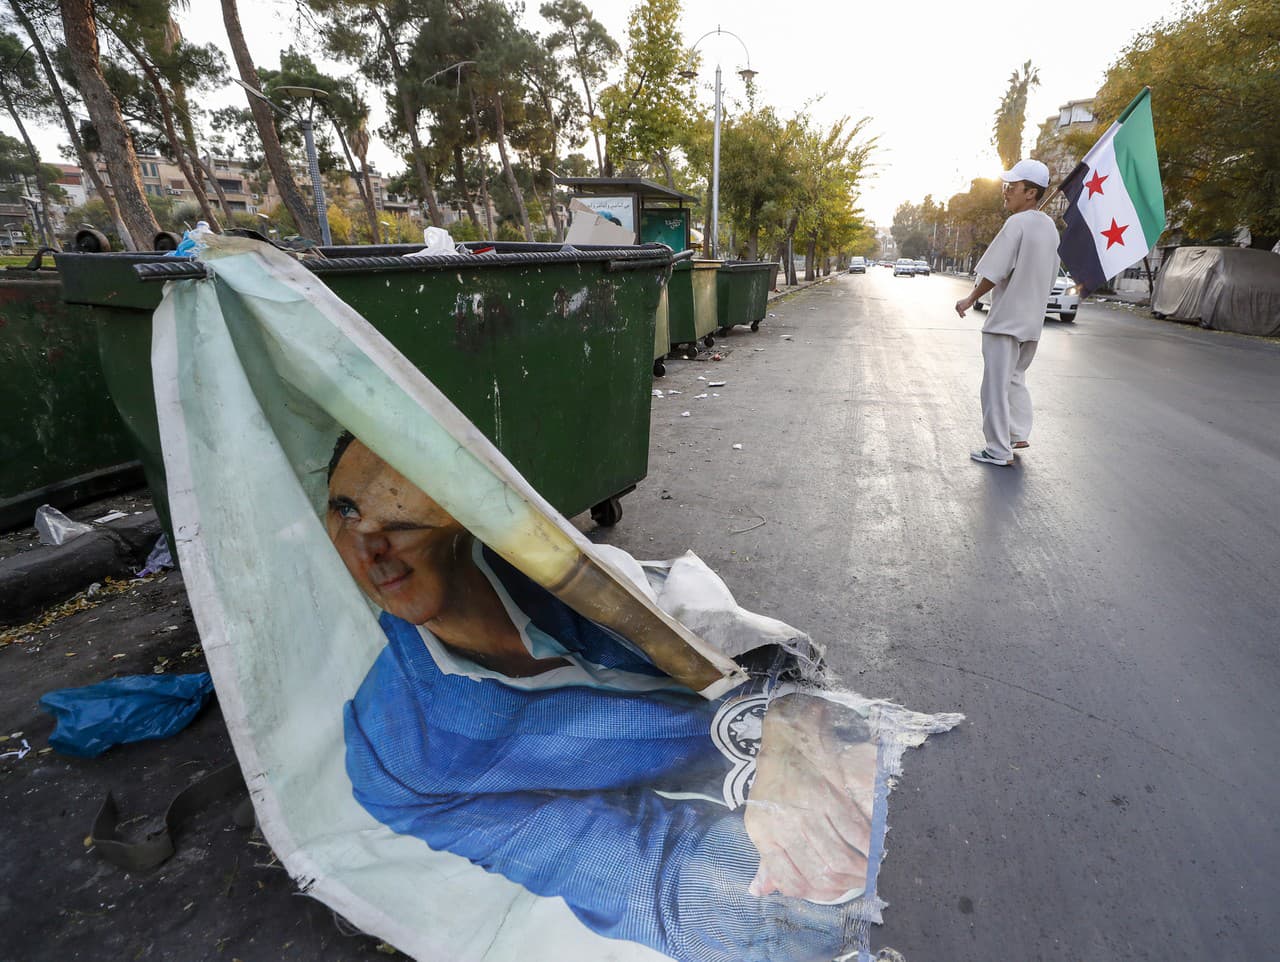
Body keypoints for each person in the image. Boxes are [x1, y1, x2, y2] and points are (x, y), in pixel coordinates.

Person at [326, 433, 880, 962]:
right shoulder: (398, 750)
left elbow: (729, 638)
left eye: (396, 511)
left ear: (458, 509)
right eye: (346, 511)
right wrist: (777, 888)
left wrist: (783, 714)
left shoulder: (567, 579)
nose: (368, 548)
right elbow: (634, 874)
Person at [953, 158, 1061, 466]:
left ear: (1031, 193)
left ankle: (998, 450)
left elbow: (996, 270)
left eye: (1011, 187)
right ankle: (1017, 432)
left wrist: (971, 297)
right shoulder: (1050, 228)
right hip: (1031, 322)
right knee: (1015, 377)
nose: (1005, 192)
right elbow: (1051, 275)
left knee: (995, 386)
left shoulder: (1017, 224)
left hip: (1005, 322)